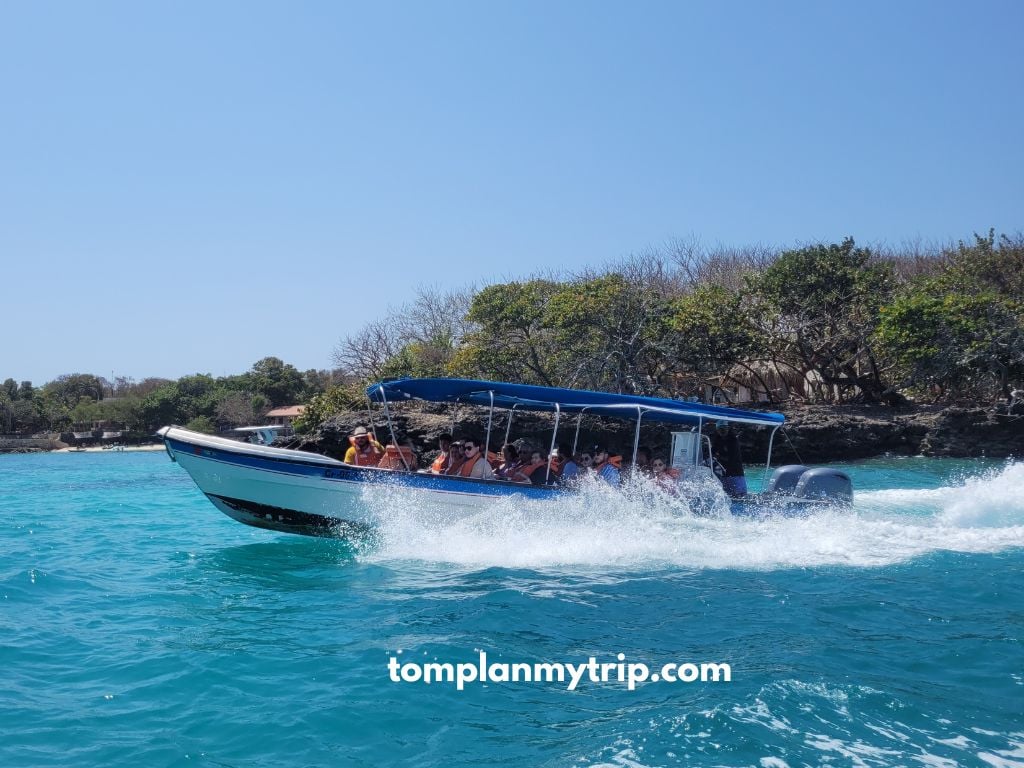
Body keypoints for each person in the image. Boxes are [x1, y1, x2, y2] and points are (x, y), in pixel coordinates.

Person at [710, 420, 747, 497]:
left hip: (736, 473)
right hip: (725, 474)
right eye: (720, 429)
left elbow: (732, 457)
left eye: (725, 428)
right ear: (717, 430)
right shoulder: (718, 440)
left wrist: (718, 457)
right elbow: (712, 452)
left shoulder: (733, 440)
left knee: (740, 496)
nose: (723, 431)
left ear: (728, 429)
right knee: (726, 496)